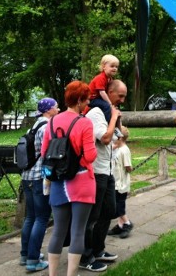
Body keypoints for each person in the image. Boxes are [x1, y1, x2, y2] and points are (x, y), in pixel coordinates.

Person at [41, 81, 97, 276]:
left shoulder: (52, 122)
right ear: (80, 101)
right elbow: (90, 156)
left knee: (58, 230)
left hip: (58, 182)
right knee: (78, 231)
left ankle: (53, 274)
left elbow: (44, 152)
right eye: (87, 99)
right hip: (81, 181)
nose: (88, 103)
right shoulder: (84, 122)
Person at [80, 79, 128, 272]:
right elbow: (105, 138)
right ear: (108, 92)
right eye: (120, 96)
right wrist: (114, 117)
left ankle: (99, 249)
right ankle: (85, 256)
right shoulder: (96, 113)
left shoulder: (109, 113)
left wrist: (117, 119)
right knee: (92, 217)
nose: (122, 100)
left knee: (109, 211)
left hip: (107, 171)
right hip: (96, 172)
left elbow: (120, 136)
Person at [19, 98, 59, 272]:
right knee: (42, 218)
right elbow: (49, 153)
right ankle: (33, 260)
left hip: (26, 176)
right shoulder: (47, 127)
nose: (58, 109)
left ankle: (25, 254)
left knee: (30, 217)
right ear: (49, 110)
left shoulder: (32, 127)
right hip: (39, 178)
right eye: (56, 107)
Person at [108, 126, 134, 238]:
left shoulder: (124, 150)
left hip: (121, 184)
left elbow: (128, 166)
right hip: (115, 182)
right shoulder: (117, 148)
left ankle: (127, 223)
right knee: (117, 204)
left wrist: (129, 169)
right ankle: (120, 225)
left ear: (120, 137)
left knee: (119, 206)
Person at [85, 54, 119, 118]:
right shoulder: (101, 78)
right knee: (107, 106)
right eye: (112, 66)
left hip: (98, 98)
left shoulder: (109, 79)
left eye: (116, 67)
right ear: (104, 67)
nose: (115, 68)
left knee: (109, 105)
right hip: (92, 99)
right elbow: (102, 92)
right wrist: (110, 103)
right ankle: (107, 123)